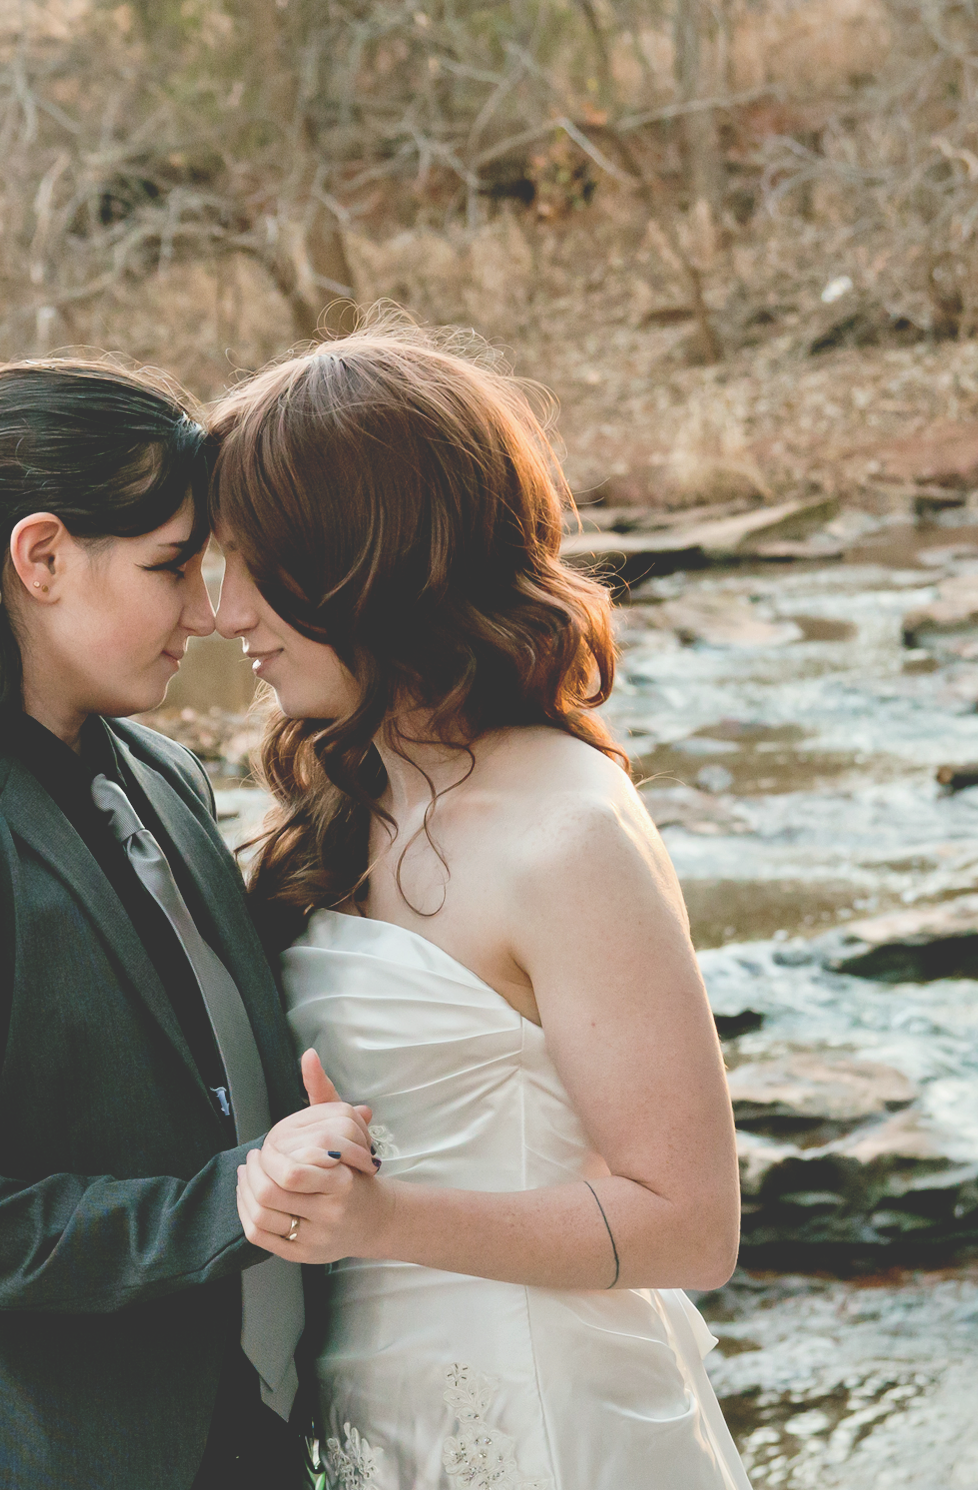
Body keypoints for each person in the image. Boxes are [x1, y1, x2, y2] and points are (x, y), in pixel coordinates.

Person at [0, 358, 374, 1489]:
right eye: (170, 567)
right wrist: (232, 1201)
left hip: (247, 1432)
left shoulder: (158, 764)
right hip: (35, 1454)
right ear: (41, 556)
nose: (205, 611)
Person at [207, 323, 752, 1489]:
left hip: (544, 1410)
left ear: (368, 555)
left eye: (256, 562)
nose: (224, 609)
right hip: (360, 1402)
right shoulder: (343, 785)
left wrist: (381, 1220)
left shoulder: (565, 832)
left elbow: (690, 1220)